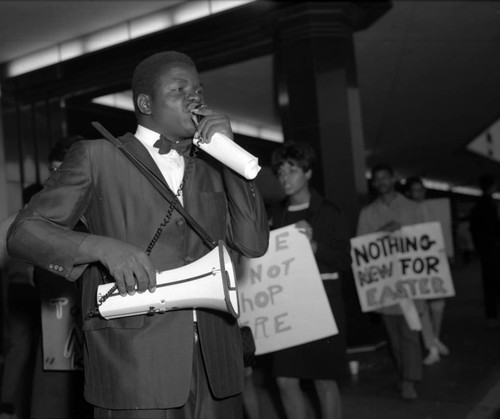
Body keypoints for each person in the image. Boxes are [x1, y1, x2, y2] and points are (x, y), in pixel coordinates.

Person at [7, 51, 269, 419]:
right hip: (134, 363)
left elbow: (254, 243)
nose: (195, 96)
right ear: (145, 102)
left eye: (198, 88)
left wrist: (231, 156)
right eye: (180, 89)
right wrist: (101, 247)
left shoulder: (215, 167)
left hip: (217, 364)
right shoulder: (97, 156)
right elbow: (24, 232)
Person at [267, 141, 350, 419]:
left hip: (322, 306)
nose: (284, 177)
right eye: (280, 172)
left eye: (292, 170)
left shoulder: (329, 212)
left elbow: (344, 260)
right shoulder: (275, 215)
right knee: (285, 380)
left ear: (309, 173)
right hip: (287, 307)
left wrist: (315, 247)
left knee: (324, 380)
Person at [356, 164, 426, 401]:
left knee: (410, 335)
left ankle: (410, 381)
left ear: (394, 179)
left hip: (410, 283)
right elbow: (361, 248)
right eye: (378, 179)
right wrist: (381, 234)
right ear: (374, 183)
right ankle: (404, 374)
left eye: (386, 177)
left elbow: (425, 241)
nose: (383, 182)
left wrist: (402, 231)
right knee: (394, 338)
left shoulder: (413, 209)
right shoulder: (367, 214)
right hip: (384, 285)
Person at [404, 176, 450, 365]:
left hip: (434, 262)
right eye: (415, 190)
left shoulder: (433, 208)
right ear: (408, 193)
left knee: (438, 304)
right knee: (421, 306)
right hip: (416, 265)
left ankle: (435, 338)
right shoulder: (405, 211)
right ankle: (431, 346)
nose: (419, 193)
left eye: (421, 189)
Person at [469, 174, 500, 330]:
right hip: (493, 248)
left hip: (484, 248)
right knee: (493, 281)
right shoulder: (489, 204)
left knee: (488, 282)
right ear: (492, 186)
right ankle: (492, 315)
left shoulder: (477, 204)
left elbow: (473, 228)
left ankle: (491, 315)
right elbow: (494, 227)